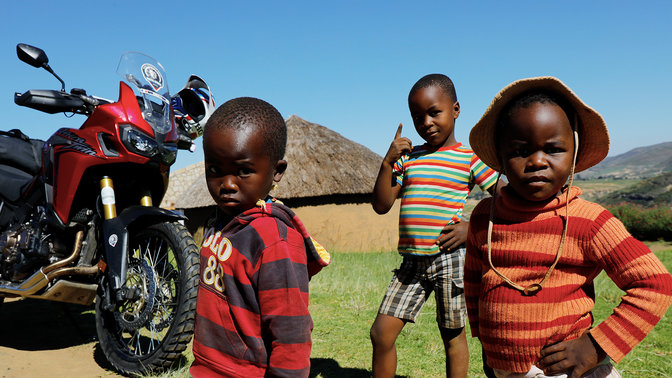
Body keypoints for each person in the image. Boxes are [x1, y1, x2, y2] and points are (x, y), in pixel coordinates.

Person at [465, 76, 672, 378]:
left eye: (553, 148)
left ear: (573, 153)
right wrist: (487, 343)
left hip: (565, 370)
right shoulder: (486, 216)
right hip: (504, 369)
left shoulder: (589, 221)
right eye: (520, 150)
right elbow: (474, 281)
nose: (537, 161)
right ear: (500, 157)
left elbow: (655, 284)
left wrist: (595, 346)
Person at [189, 97, 330, 377]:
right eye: (215, 170)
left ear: (276, 171)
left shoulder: (274, 242)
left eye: (243, 171)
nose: (227, 184)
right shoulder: (219, 222)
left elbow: (292, 331)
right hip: (207, 367)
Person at [370, 73, 499, 378]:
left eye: (434, 112)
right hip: (411, 263)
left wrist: (472, 227)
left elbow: (504, 197)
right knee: (381, 333)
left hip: (449, 259)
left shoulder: (470, 158)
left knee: (452, 337)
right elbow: (381, 205)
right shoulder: (409, 158)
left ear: (455, 109)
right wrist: (387, 163)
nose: (426, 122)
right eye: (418, 117)